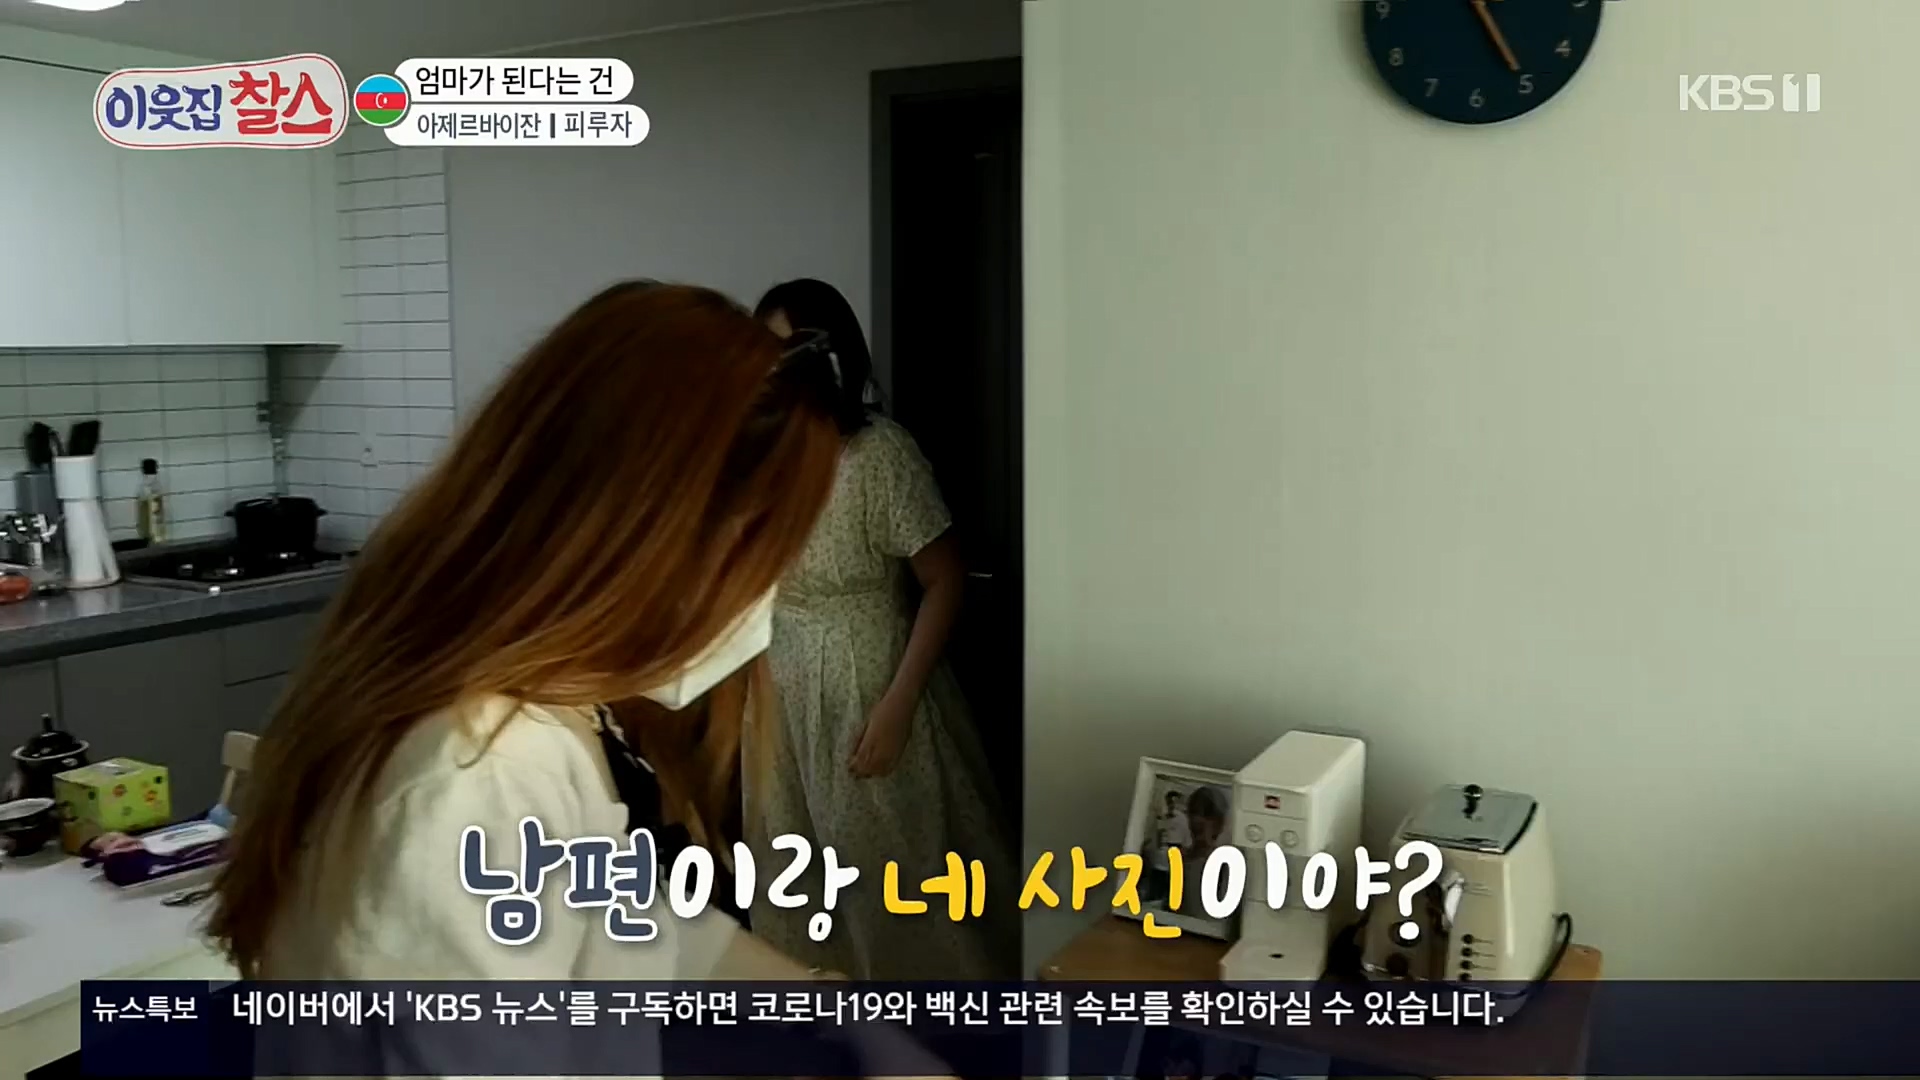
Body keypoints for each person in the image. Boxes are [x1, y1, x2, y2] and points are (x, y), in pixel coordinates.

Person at [205, 282, 952, 1078]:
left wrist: (830, 1011)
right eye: (762, 554)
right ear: (648, 527)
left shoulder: (542, 711)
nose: (763, 597)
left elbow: (627, 917)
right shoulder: (480, 778)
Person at [748, 278, 1017, 980]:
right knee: (794, 871)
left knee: (888, 876)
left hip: (866, 684)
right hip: (781, 688)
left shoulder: (878, 455)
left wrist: (897, 707)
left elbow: (946, 580)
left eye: (785, 354)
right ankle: (824, 1022)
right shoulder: (765, 456)